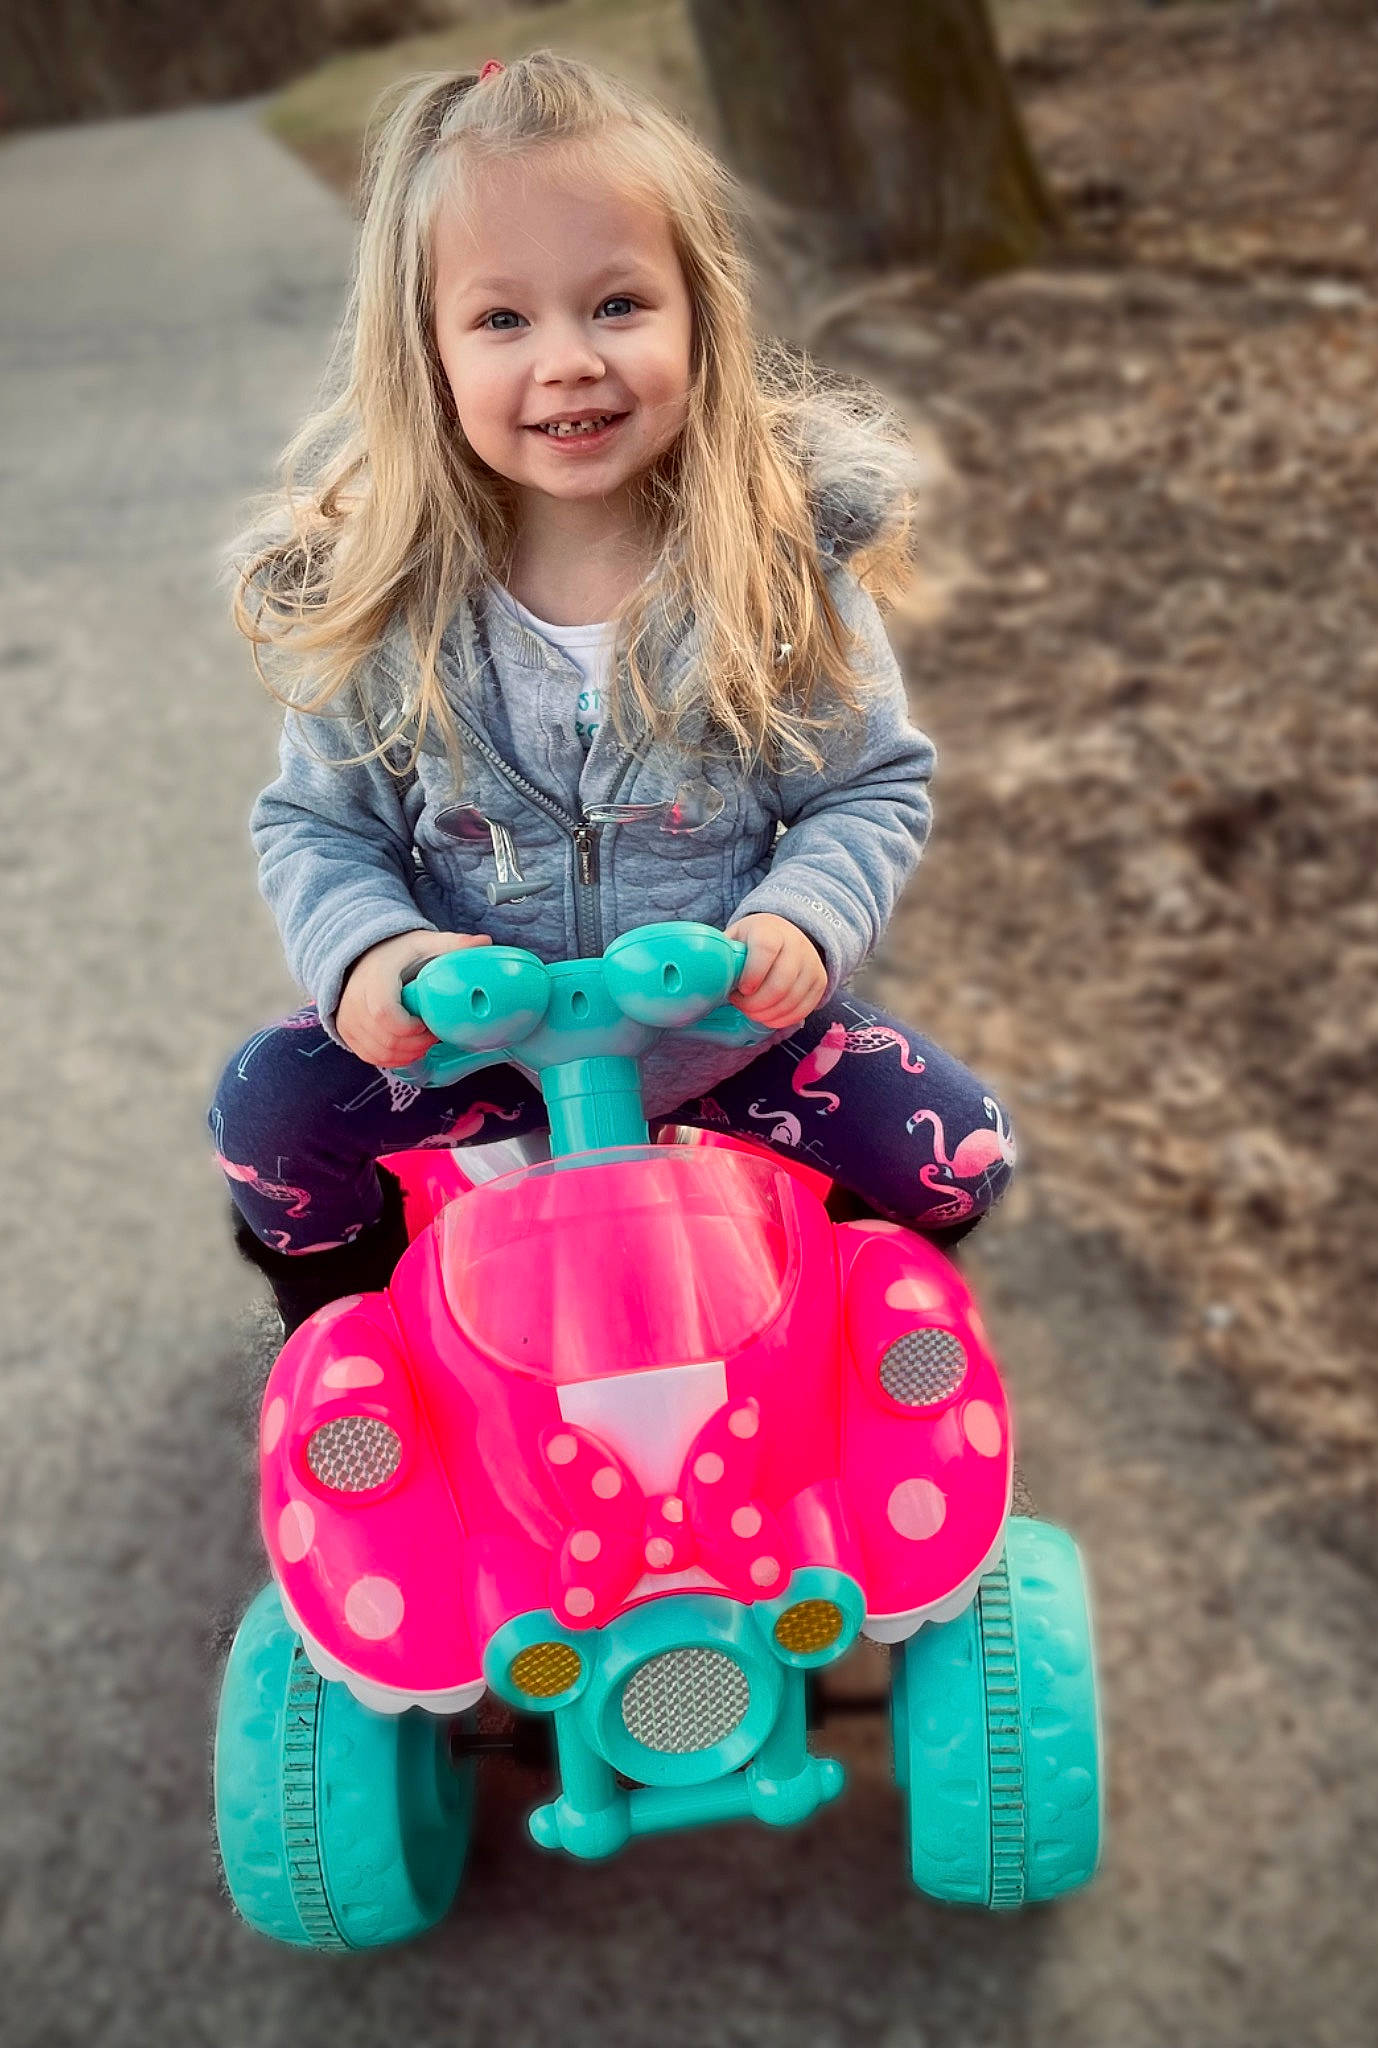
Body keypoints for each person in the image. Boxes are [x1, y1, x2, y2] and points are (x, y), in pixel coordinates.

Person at [210, 50, 1014, 1337]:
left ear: (700, 312)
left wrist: (797, 925)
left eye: (619, 304)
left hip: (720, 1034)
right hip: (471, 1048)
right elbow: (322, 825)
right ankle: (350, 1333)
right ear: (428, 353)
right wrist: (376, 955)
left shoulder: (776, 565)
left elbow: (866, 784)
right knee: (266, 1112)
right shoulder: (389, 601)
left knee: (958, 1148)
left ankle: (864, 1346)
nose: (571, 360)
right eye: (504, 320)